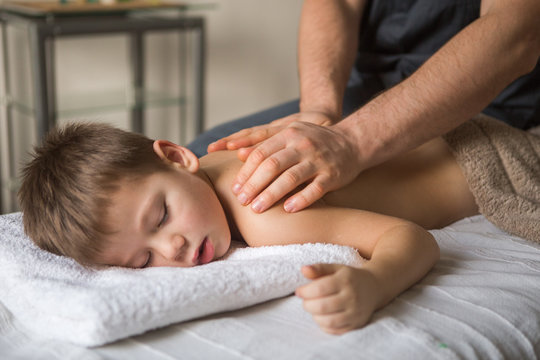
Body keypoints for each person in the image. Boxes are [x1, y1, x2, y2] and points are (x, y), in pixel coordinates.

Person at [20, 121, 495, 335]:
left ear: (177, 157)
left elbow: (411, 239)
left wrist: (374, 282)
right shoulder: (215, 159)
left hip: (489, 163)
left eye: (161, 217)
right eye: (143, 261)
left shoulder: (258, 211)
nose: (174, 248)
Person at [190, 0, 540, 215]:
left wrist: (351, 142)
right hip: (367, 91)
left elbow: (515, 33)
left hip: (492, 104)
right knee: (204, 159)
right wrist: (318, 111)